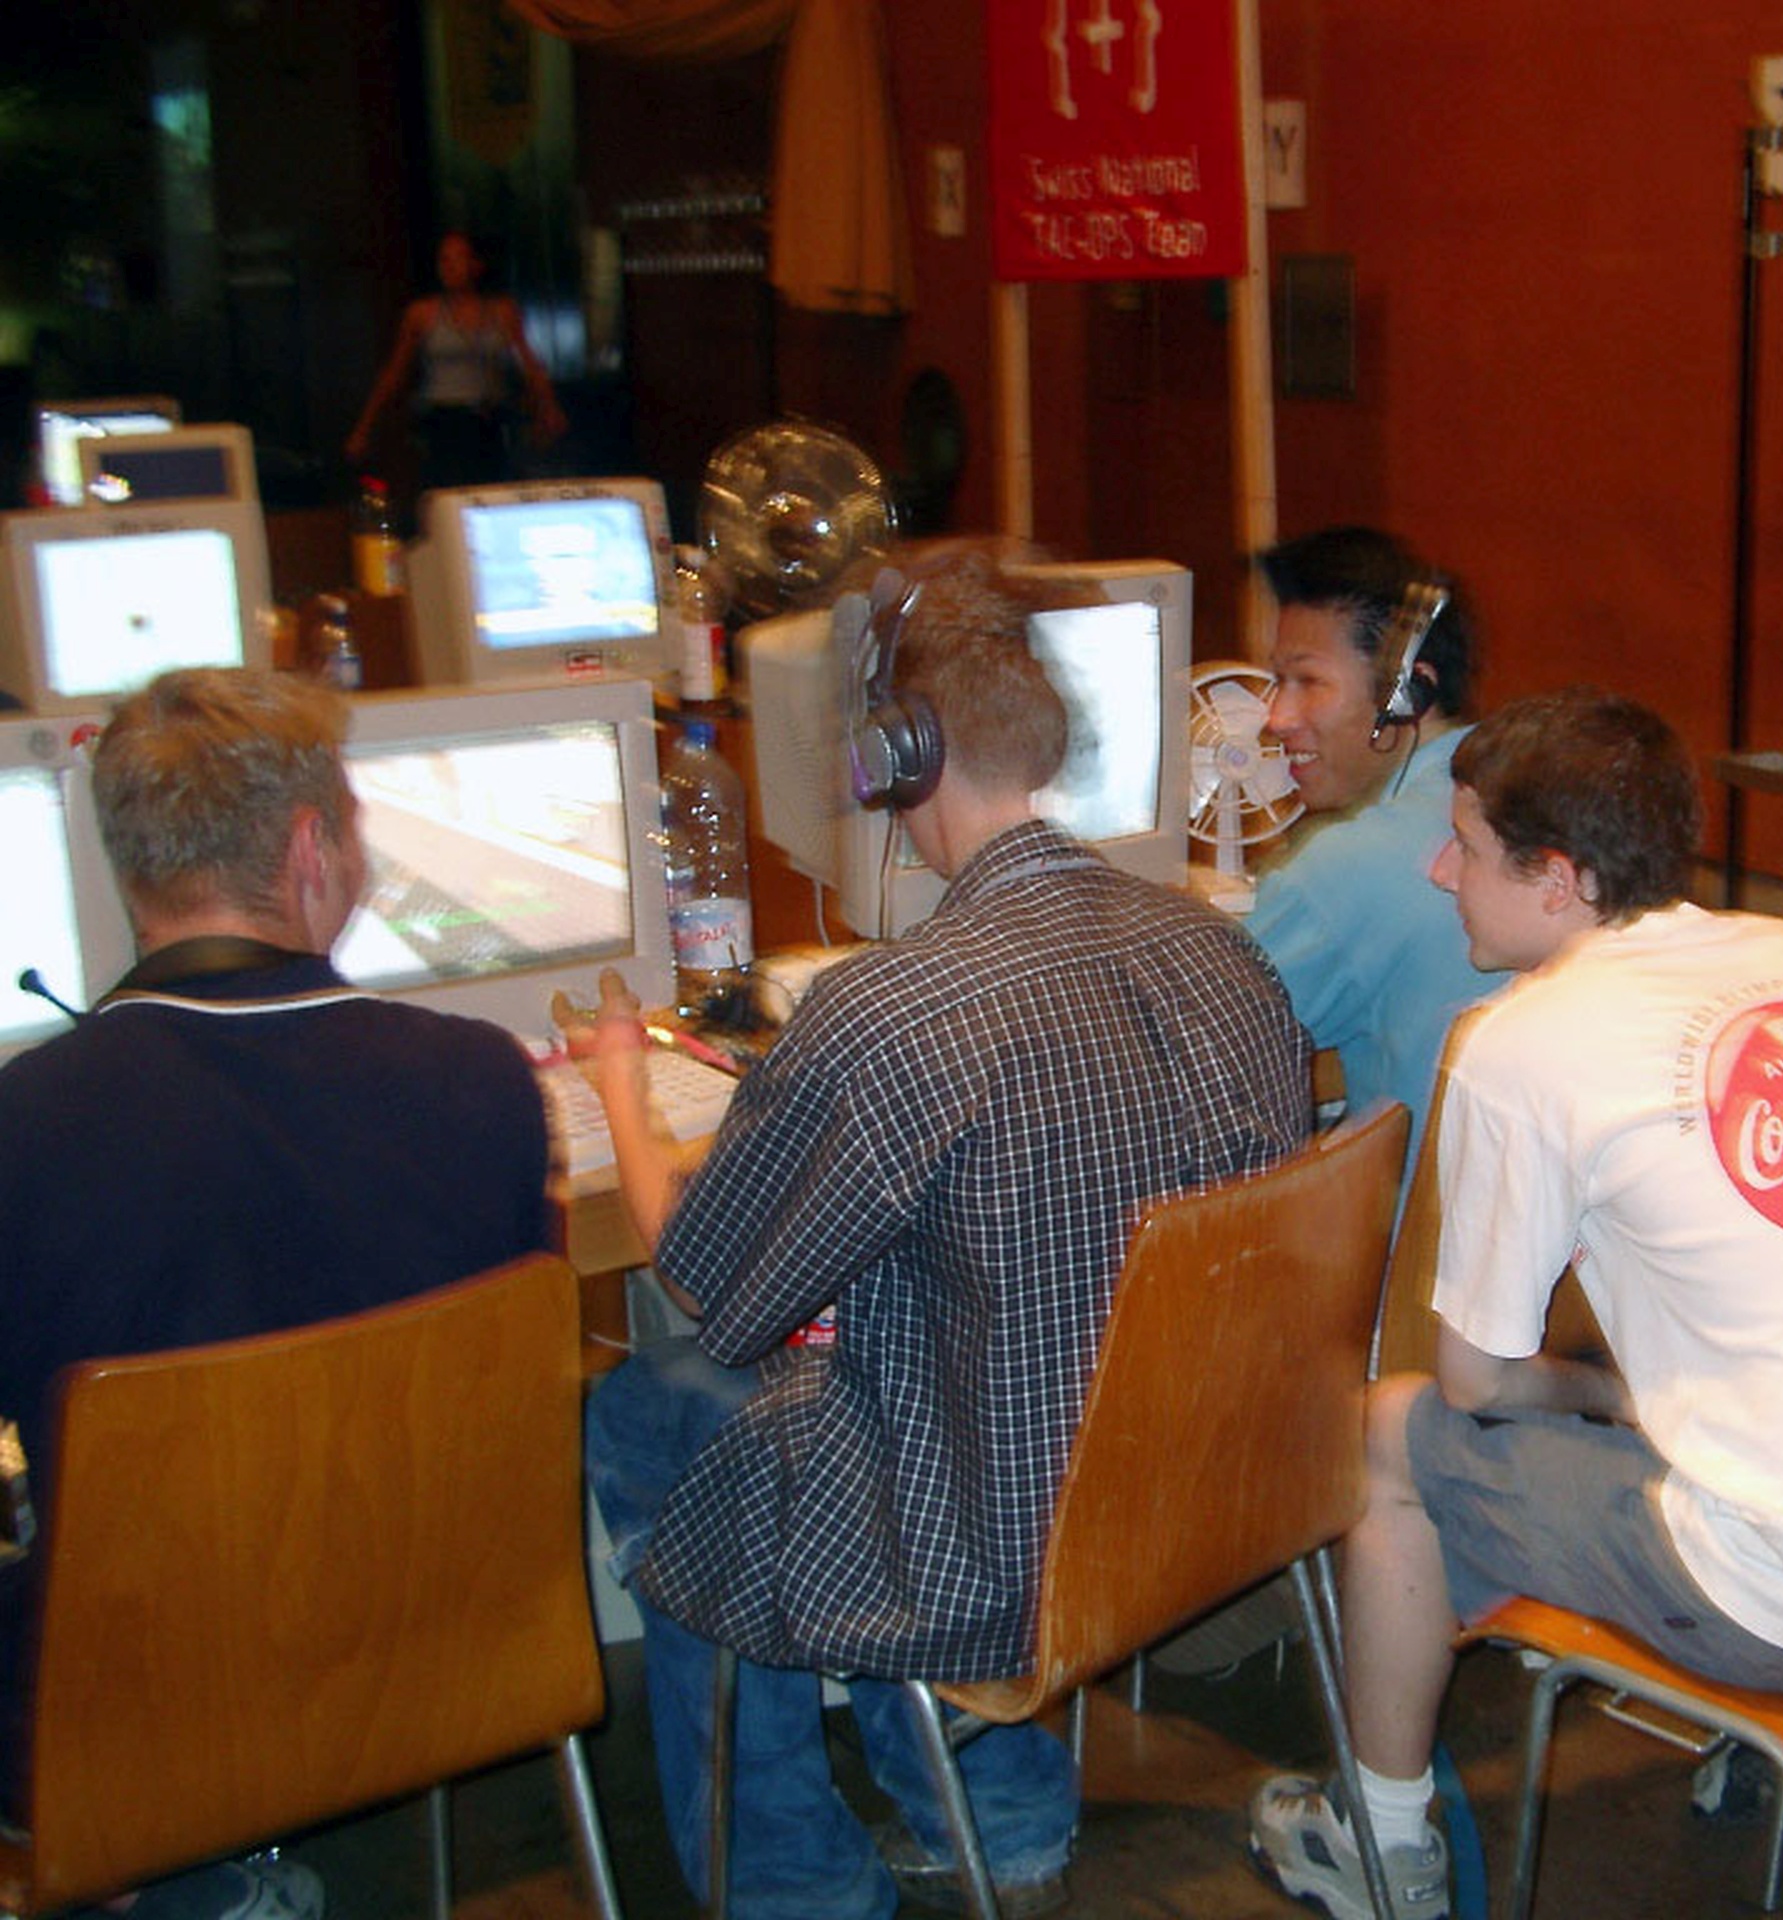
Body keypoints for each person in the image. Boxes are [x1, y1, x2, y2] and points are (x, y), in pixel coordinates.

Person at [573, 550, 1309, 1920]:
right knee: (928, 1366)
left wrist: (622, 1088)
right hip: (1212, 1502)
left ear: (895, 758)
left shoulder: (892, 1011)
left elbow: (709, 1282)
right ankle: (1001, 1817)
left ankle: (792, 1885)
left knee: (654, 1404)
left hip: (998, 1554)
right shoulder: (1222, 954)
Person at [1245, 688, 1783, 1920]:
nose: (1441, 872)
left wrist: (1608, 1395)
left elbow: (1475, 1384)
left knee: (1392, 1434)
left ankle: (1379, 1845)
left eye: (1465, 846)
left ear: (1557, 881)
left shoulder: (1520, 1040)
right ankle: (1720, 1738)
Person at [0, 668, 549, 1918]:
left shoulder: (28, 1126)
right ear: (312, 851)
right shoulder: (482, 1080)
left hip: (139, 1711)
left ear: (128, 869)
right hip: (455, 1656)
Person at [1243, 526, 1499, 1195]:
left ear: (1407, 694)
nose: (1276, 716)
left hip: (1419, 1250)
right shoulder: (1537, 797)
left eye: (1307, 681)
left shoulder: (1345, 868)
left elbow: (1188, 1040)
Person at [345, 229, 566, 490]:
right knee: (446, 488)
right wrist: (364, 428)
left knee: (490, 488)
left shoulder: (502, 311)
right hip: (444, 421)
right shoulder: (422, 313)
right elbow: (395, 372)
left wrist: (548, 407)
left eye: (457, 259)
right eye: (443, 260)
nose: (449, 267)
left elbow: (528, 364)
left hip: (489, 418)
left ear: (475, 265)